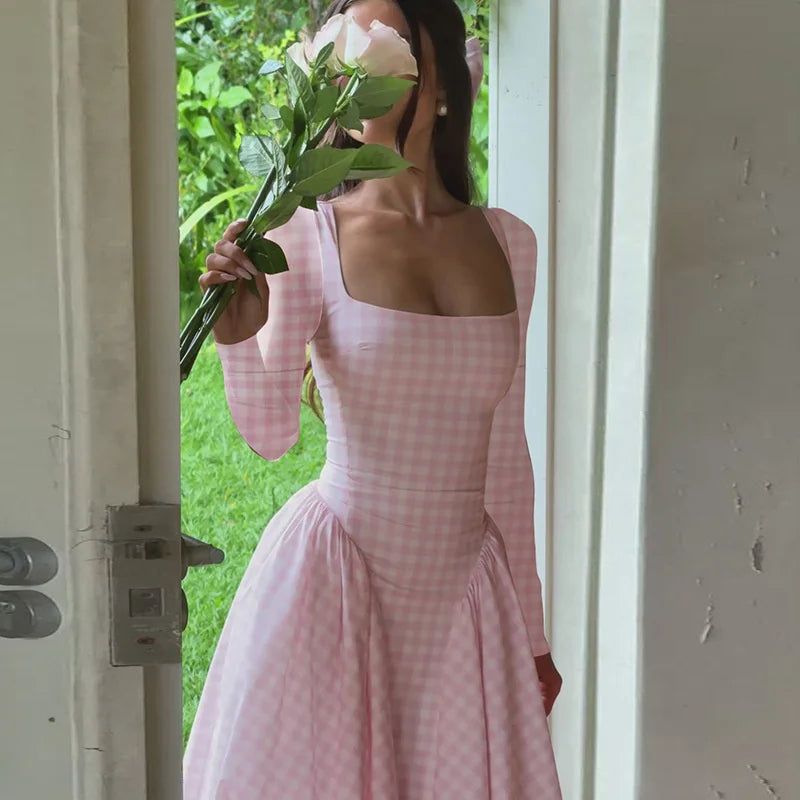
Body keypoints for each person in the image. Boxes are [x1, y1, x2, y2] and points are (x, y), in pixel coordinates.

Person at [183, 0, 564, 797]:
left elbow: (507, 456)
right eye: (346, 59)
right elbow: (270, 434)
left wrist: (530, 634)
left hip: (466, 595)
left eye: (385, 52)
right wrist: (235, 336)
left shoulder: (509, 243)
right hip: (339, 581)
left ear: (450, 85)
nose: (360, 80)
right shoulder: (304, 237)